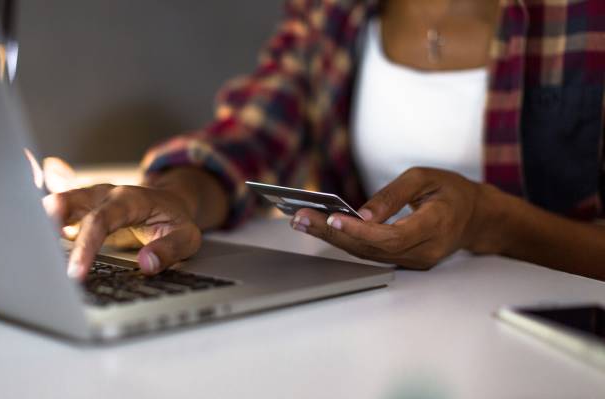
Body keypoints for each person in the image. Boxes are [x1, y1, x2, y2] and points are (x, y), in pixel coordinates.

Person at [43, 0, 605, 282]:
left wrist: (489, 221)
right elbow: (249, 140)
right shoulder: (333, 13)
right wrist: (177, 197)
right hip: (376, 326)